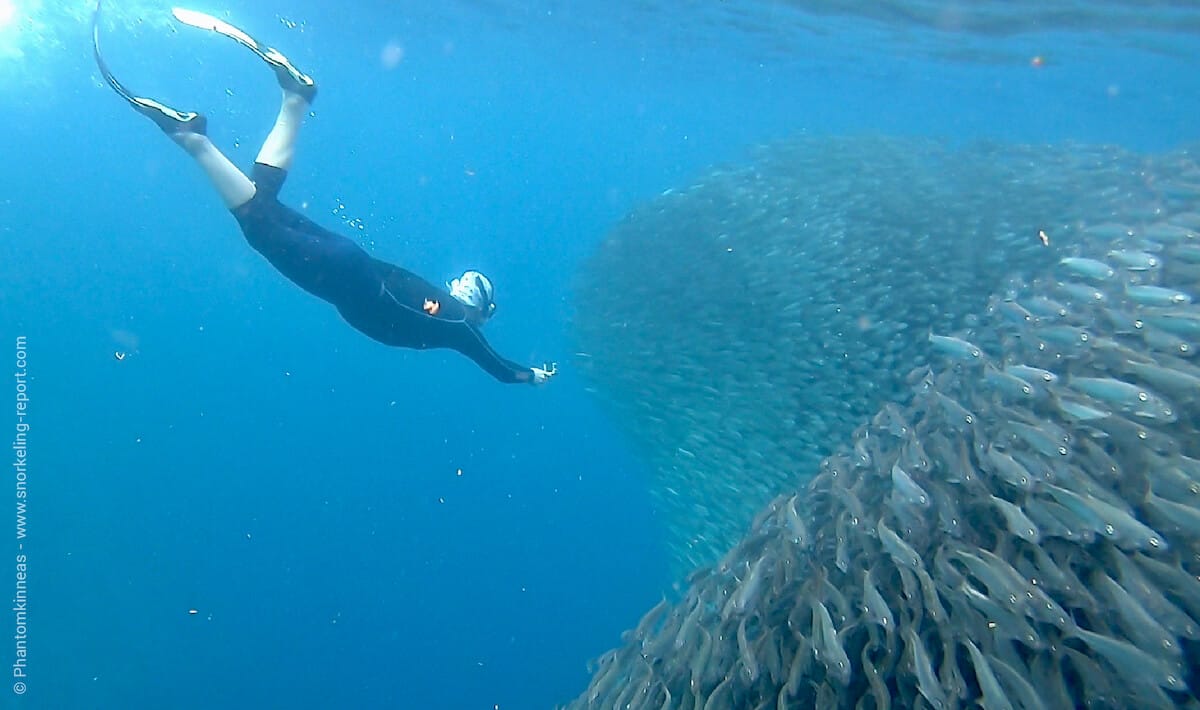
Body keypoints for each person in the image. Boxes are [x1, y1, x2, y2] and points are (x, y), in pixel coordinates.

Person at [92, 3, 557, 386]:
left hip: (349, 264)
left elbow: (478, 347)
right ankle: (193, 138)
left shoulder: (456, 317)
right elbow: (500, 371)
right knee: (256, 222)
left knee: (262, 203)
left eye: (469, 286)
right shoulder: (461, 328)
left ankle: (294, 100)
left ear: (480, 304)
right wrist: (537, 376)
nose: (459, 287)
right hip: (345, 277)